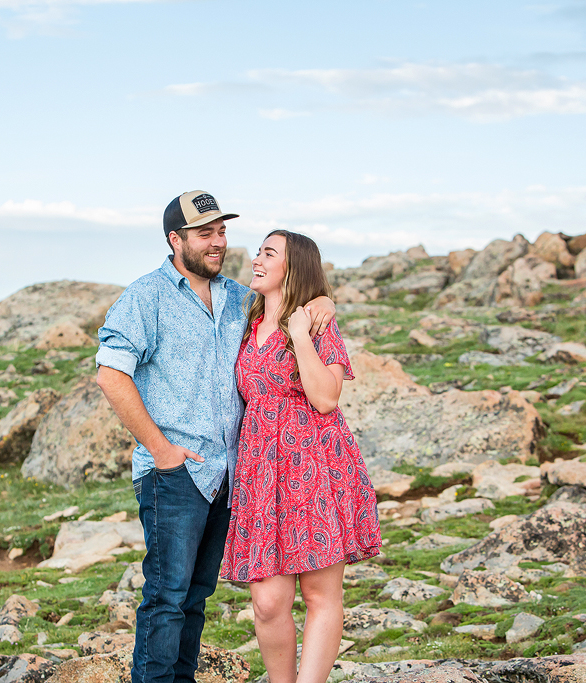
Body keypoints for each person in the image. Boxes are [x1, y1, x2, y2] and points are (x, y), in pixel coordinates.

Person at [95, 192, 336, 683]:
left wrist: (324, 301)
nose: (218, 242)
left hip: (230, 475)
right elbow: (110, 375)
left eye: (221, 231)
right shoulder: (147, 297)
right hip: (175, 472)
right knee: (166, 597)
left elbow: (291, 299)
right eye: (205, 233)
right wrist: (161, 452)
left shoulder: (237, 298)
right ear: (175, 239)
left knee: (195, 598)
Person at [221, 230, 382, 683]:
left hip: (314, 466)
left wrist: (300, 332)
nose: (256, 259)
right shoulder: (246, 321)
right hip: (259, 472)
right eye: (258, 251)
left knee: (318, 594)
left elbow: (326, 398)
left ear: (293, 268)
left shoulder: (316, 325)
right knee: (268, 602)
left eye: (268, 253)